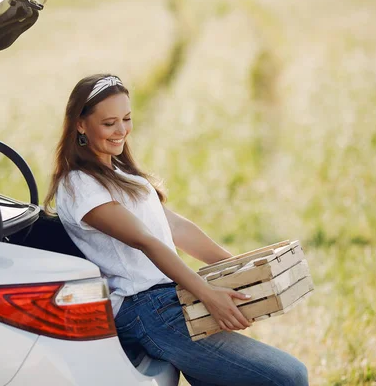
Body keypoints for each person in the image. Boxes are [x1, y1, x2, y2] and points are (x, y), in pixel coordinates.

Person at [44, 74, 309, 386]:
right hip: (146, 309)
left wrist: (241, 268)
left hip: (170, 297)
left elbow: (176, 228)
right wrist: (207, 294)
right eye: (109, 123)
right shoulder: (79, 185)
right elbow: (145, 241)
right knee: (288, 377)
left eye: (127, 119)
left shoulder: (120, 172)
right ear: (80, 124)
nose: (121, 131)